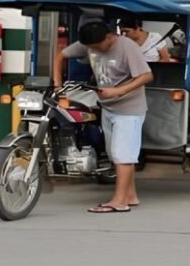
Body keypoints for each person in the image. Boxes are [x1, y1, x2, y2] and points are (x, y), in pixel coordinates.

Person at [56, 21, 153, 213]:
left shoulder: (127, 46)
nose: (94, 50)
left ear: (109, 37)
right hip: (107, 108)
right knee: (115, 154)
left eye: (97, 46)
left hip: (129, 109)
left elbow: (147, 76)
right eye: (90, 48)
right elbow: (61, 55)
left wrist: (119, 91)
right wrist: (58, 86)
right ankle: (131, 196)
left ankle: (119, 201)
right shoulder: (89, 43)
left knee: (123, 155)